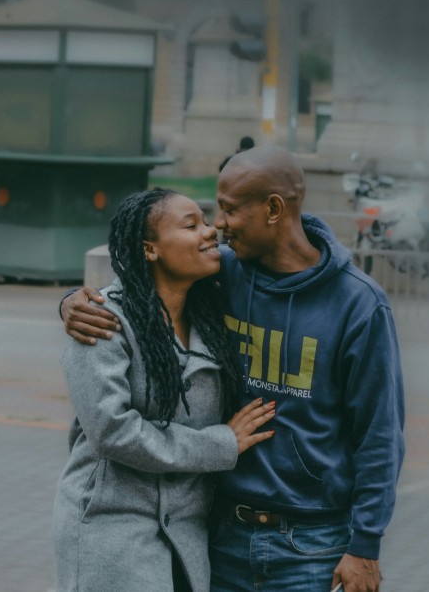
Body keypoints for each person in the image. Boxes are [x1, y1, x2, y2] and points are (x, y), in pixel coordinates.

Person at [60, 147, 405, 592]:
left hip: (311, 547)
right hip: (220, 536)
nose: (217, 226)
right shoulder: (223, 271)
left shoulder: (359, 305)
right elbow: (144, 276)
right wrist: (72, 301)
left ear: (274, 208)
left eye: (227, 210)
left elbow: (379, 435)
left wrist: (365, 546)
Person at [53, 187, 276, 592]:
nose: (209, 232)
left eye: (207, 222)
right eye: (191, 225)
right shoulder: (102, 321)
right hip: (112, 527)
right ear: (150, 250)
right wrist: (221, 444)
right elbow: (112, 432)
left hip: (187, 535)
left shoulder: (210, 313)